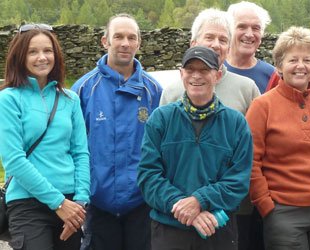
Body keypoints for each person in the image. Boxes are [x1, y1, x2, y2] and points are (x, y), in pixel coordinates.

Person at [137, 46, 253, 250]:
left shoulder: (236, 124)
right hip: (169, 230)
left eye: (204, 70)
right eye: (190, 70)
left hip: (217, 229)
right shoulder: (161, 119)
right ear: (181, 74)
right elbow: (148, 176)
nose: (196, 76)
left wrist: (200, 201)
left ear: (217, 75)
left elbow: (239, 180)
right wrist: (184, 206)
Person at [245, 26, 310, 249]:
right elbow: (251, 161)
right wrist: (265, 203)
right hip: (283, 212)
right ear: (279, 66)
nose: (300, 66)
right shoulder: (262, 106)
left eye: (307, 60)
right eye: (293, 60)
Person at [71, 14, 162, 250]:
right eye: (118, 36)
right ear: (105, 41)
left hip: (141, 204)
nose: (125, 43)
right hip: (98, 204)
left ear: (139, 43)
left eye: (131, 37)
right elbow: (71, 147)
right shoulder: (82, 89)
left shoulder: (154, 91)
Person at [0, 23, 89, 250]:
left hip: (70, 204)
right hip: (28, 204)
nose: (42, 57)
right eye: (33, 51)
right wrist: (58, 203)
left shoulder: (70, 99)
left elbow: (81, 153)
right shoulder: (8, 99)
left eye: (47, 51)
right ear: (20, 57)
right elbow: (14, 160)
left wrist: (79, 201)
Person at [157, 8, 260, 115]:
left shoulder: (247, 89)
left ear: (229, 48)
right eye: (209, 38)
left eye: (223, 40)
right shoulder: (171, 93)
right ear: (193, 44)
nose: (216, 45)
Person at [226, 1, 276, 93]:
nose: (249, 34)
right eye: (242, 27)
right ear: (229, 30)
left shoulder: (272, 75)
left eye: (255, 28)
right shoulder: (214, 71)